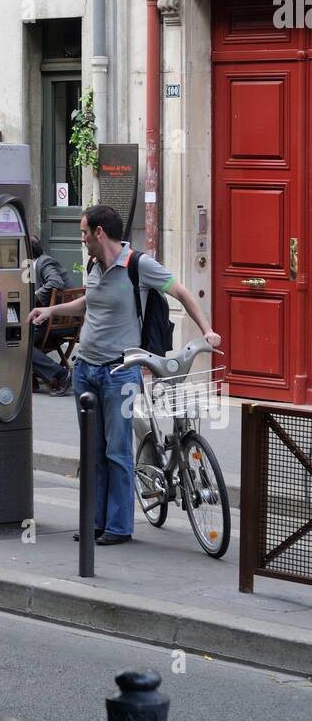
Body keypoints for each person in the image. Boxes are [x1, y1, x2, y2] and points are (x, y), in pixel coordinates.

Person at [27, 204, 220, 548]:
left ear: (99, 233)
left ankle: (117, 526)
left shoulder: (138, 266)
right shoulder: (93, 264)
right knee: (93, 450)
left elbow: (181, 292)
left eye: (84, 232)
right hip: (85, 369)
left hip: (119, 373)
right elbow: (89, 301)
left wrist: (207, 330)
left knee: (116, 451)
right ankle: (95, 522)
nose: (82, 239)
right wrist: (52, 309)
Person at [29, 235, 74, 396]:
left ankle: (60, 375)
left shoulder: (44, 262)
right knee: (17, 340)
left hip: (60, 323)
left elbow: (55, 282)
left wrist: (33, 296)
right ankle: (36, 379)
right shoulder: (34, 266)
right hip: (56, 321)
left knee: (19, 343)